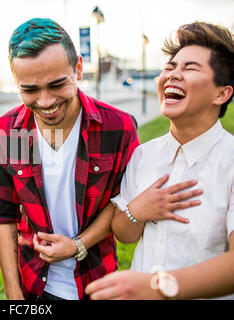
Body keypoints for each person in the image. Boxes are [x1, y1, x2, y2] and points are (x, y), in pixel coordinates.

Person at [0, 17, 141, 300]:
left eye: (57, 84)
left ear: (79, 68)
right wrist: (12, 291)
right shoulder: (8, 132)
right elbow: (4, 214)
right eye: (30, 90)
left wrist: (77, 245)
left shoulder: (118, 127)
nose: (45, 102)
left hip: (97, 281)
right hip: (33, 286)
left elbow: (122, 204)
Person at [86, 21, 234, 300]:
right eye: (170, 67)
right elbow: (124, 234)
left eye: (189, 68)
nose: (173, 75)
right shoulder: (144, 154)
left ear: (221, 93)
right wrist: (137, 210)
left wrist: (158, 286)